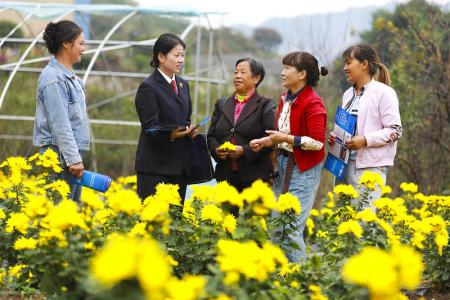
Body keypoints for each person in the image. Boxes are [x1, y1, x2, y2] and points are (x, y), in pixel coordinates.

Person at [251, 51, 328, 262]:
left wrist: (284, 137)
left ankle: (299, 283)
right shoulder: (286, 98)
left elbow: (317, 142)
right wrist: (268, 141)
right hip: (283, 165)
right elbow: (283, 136)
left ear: (302, 74)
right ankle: (279, 281)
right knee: (276, 227)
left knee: (292, 229)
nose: (282, 72)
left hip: (303, 170)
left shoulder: (313, 103)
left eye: (287, 68)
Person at [327, 43, 402, 205]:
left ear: (364, 64)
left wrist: (365, 140)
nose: (345, 68)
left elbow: (395, 131)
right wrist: (336, 137)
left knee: (362, 223)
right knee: (343, 223)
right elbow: (347, 127)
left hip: (369, 170)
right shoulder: (348, 94)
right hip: (342, 166)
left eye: (348, 63)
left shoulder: (384, 92)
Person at [207, 58, 275, 214]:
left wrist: (244, 150)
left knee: (255, 227)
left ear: (256, 78)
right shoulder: (222, 104)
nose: (237, 76)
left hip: (256, 177)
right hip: (226, 175)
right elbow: (211, 136)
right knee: (225, 224)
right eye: (236, 72)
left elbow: (270, 139)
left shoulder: (265, 105)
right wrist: (217, 150)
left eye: (243, 72)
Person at [135, 33, 197, 201]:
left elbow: (186, 118)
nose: (181, 60)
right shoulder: (148, 87)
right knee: (153, 221)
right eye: (176, 55)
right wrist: (171, 133)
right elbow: (150, 126)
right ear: (161, 56)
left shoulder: (183, 84)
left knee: (175, 222)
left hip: (179, 167)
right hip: (155, 167)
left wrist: (189, 130)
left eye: (182, 55)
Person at [33, 20, 89, 202]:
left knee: (70, 215)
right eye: (81, 43)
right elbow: (60, 124)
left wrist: (75, 157)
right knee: (57, 216)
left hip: (69, 155)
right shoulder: (53, 78)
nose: (84, 48)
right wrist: (73, 159)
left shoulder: (71, 78)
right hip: (59, 157)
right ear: (66, 43)